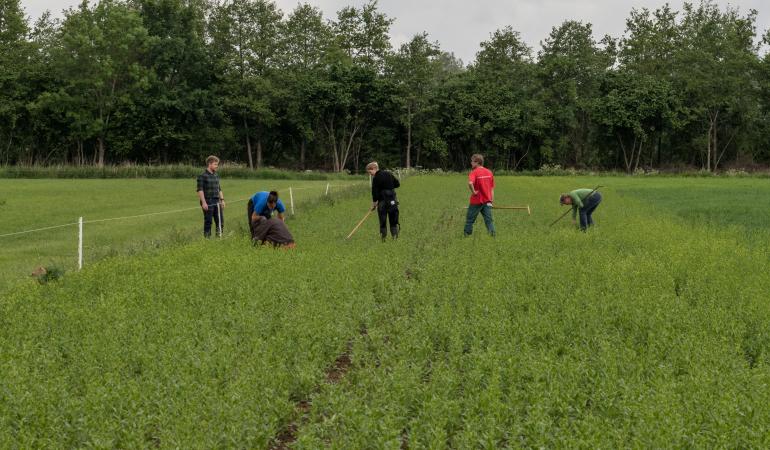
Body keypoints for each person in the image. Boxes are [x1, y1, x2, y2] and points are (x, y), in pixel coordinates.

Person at [367, 161, 400, 241]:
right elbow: (397, 184)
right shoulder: (388, 173)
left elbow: (374, 193)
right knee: (393, 220)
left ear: (374, 168)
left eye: (370, 171)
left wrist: (374, 204)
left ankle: (383, 239)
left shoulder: (376, 178)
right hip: (392, 201)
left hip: (382, 202)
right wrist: (389, 187)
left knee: (383, 221)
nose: (370, 174)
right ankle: (394, 238)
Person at [464, 153, 495, 236]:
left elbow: (470, 183)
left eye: (472, 161)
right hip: (487, 201)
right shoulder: (489, 172)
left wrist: (474, 192)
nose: (471, 163)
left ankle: (466, 236)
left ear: (477, 162)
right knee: (489, 220)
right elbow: (492, 188)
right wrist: (491, 201)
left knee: (470, 220)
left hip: (476, 201)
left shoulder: (474, 172)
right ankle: (492, 236)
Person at [196, 155, 225, 238]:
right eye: (215, 164)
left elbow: (219, 188)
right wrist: (204, 203)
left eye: (217, 164)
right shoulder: (202, 176)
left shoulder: (216, 175)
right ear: (209, 164)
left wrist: (222, 200)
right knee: (208, 221)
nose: (217, 166)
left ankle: (219, 238)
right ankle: (207, 240)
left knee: (220, 221)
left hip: (217, 201)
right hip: (208, 201)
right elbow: (200, 190)